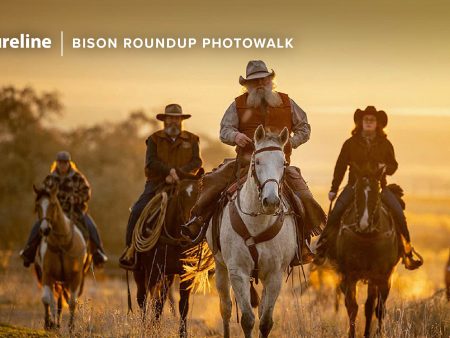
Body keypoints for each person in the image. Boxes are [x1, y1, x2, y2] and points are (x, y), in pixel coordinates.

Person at [182, 60, 326, 265]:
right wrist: (236, 136)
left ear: (270, 80)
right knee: (212, 183)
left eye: (263, 79)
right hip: (244, 165)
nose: (259, 83)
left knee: (304, 197)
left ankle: (302, 244)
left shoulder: (287, 102)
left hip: (278, 167)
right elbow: (224, 130)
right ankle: (198, 224)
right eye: (254, 81)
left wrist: (289, 143)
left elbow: (304, 127)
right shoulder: (237, 104)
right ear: (247, 84)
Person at [314, 106, 423, 270]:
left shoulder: (385, 144)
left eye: (372, 120)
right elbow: (340, 166)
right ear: (361, 122)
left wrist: (386, 168)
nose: (369, 122)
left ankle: (407, 252)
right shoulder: (350, 143)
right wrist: (334, 189)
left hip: (379, 187)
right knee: (336, 212)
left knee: (398, 213)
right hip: (354, 186)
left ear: (378, 124)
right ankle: (322, 248)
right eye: (366, 120)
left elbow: (394, 165)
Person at [119, 104, 203, 269]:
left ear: (181, 120)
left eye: (177, 118)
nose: (173, 121)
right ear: (164, 120)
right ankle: (131, 250)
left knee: (203, 211)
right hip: (157, 183)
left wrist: (178, 173)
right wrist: (168, 171)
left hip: (185, 183)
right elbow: (151, 162)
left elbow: (197, 162)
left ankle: (206, 254)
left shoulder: (193, 139)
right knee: (137, 210)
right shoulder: (154, 139)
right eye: (170, 118)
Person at [20, 151, 108, 267]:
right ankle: (28, 253)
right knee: (38, 225)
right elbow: (43, 195)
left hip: (75, 211)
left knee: (91, 226)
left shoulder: (77, 177)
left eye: (65, 163)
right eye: (60, 163)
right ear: (56, 163)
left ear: (69, 163)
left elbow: (87, 192)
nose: (62, 165)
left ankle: (98, 253)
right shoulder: (50, 179)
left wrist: (76, 199)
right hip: (54, 213)